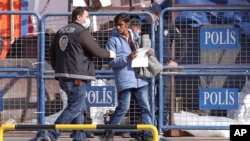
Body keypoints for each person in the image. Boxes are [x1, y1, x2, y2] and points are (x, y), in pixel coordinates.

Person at [29, 6, 116, 141]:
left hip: (64, 75)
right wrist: (110, 53)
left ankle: (79, 137)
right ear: (79, 17)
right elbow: (96, 51)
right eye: (86, 17)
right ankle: (51, 134)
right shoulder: (81, 31)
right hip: (78, 76)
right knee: (75, 107)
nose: (88, 20)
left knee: (79, 107)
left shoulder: (60, 31)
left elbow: (52, 53)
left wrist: (57, 68)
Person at [101, 13, 154, 141]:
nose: (118, 27)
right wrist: (127, 58)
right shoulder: (112, 41)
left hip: (140, 78)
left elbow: (145, 51)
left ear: (127, 24)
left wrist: (149, 52)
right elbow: (112, 62)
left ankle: (148, 134)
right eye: (116, 25)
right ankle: (109, 133)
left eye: (120, 25)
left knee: (145, 107)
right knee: (123, 107)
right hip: (125, 79)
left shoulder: (136, 36)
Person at [143, 1, 187, 139]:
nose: (146, 18)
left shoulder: (168, 26)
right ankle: (149, 131)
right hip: (149, 67)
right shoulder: (144, 28)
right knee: (148, 99)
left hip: (164, 68)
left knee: (163, 99)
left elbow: (183, 43)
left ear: (156, 15)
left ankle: (160, 130)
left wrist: (176, 61)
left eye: (149, 14)